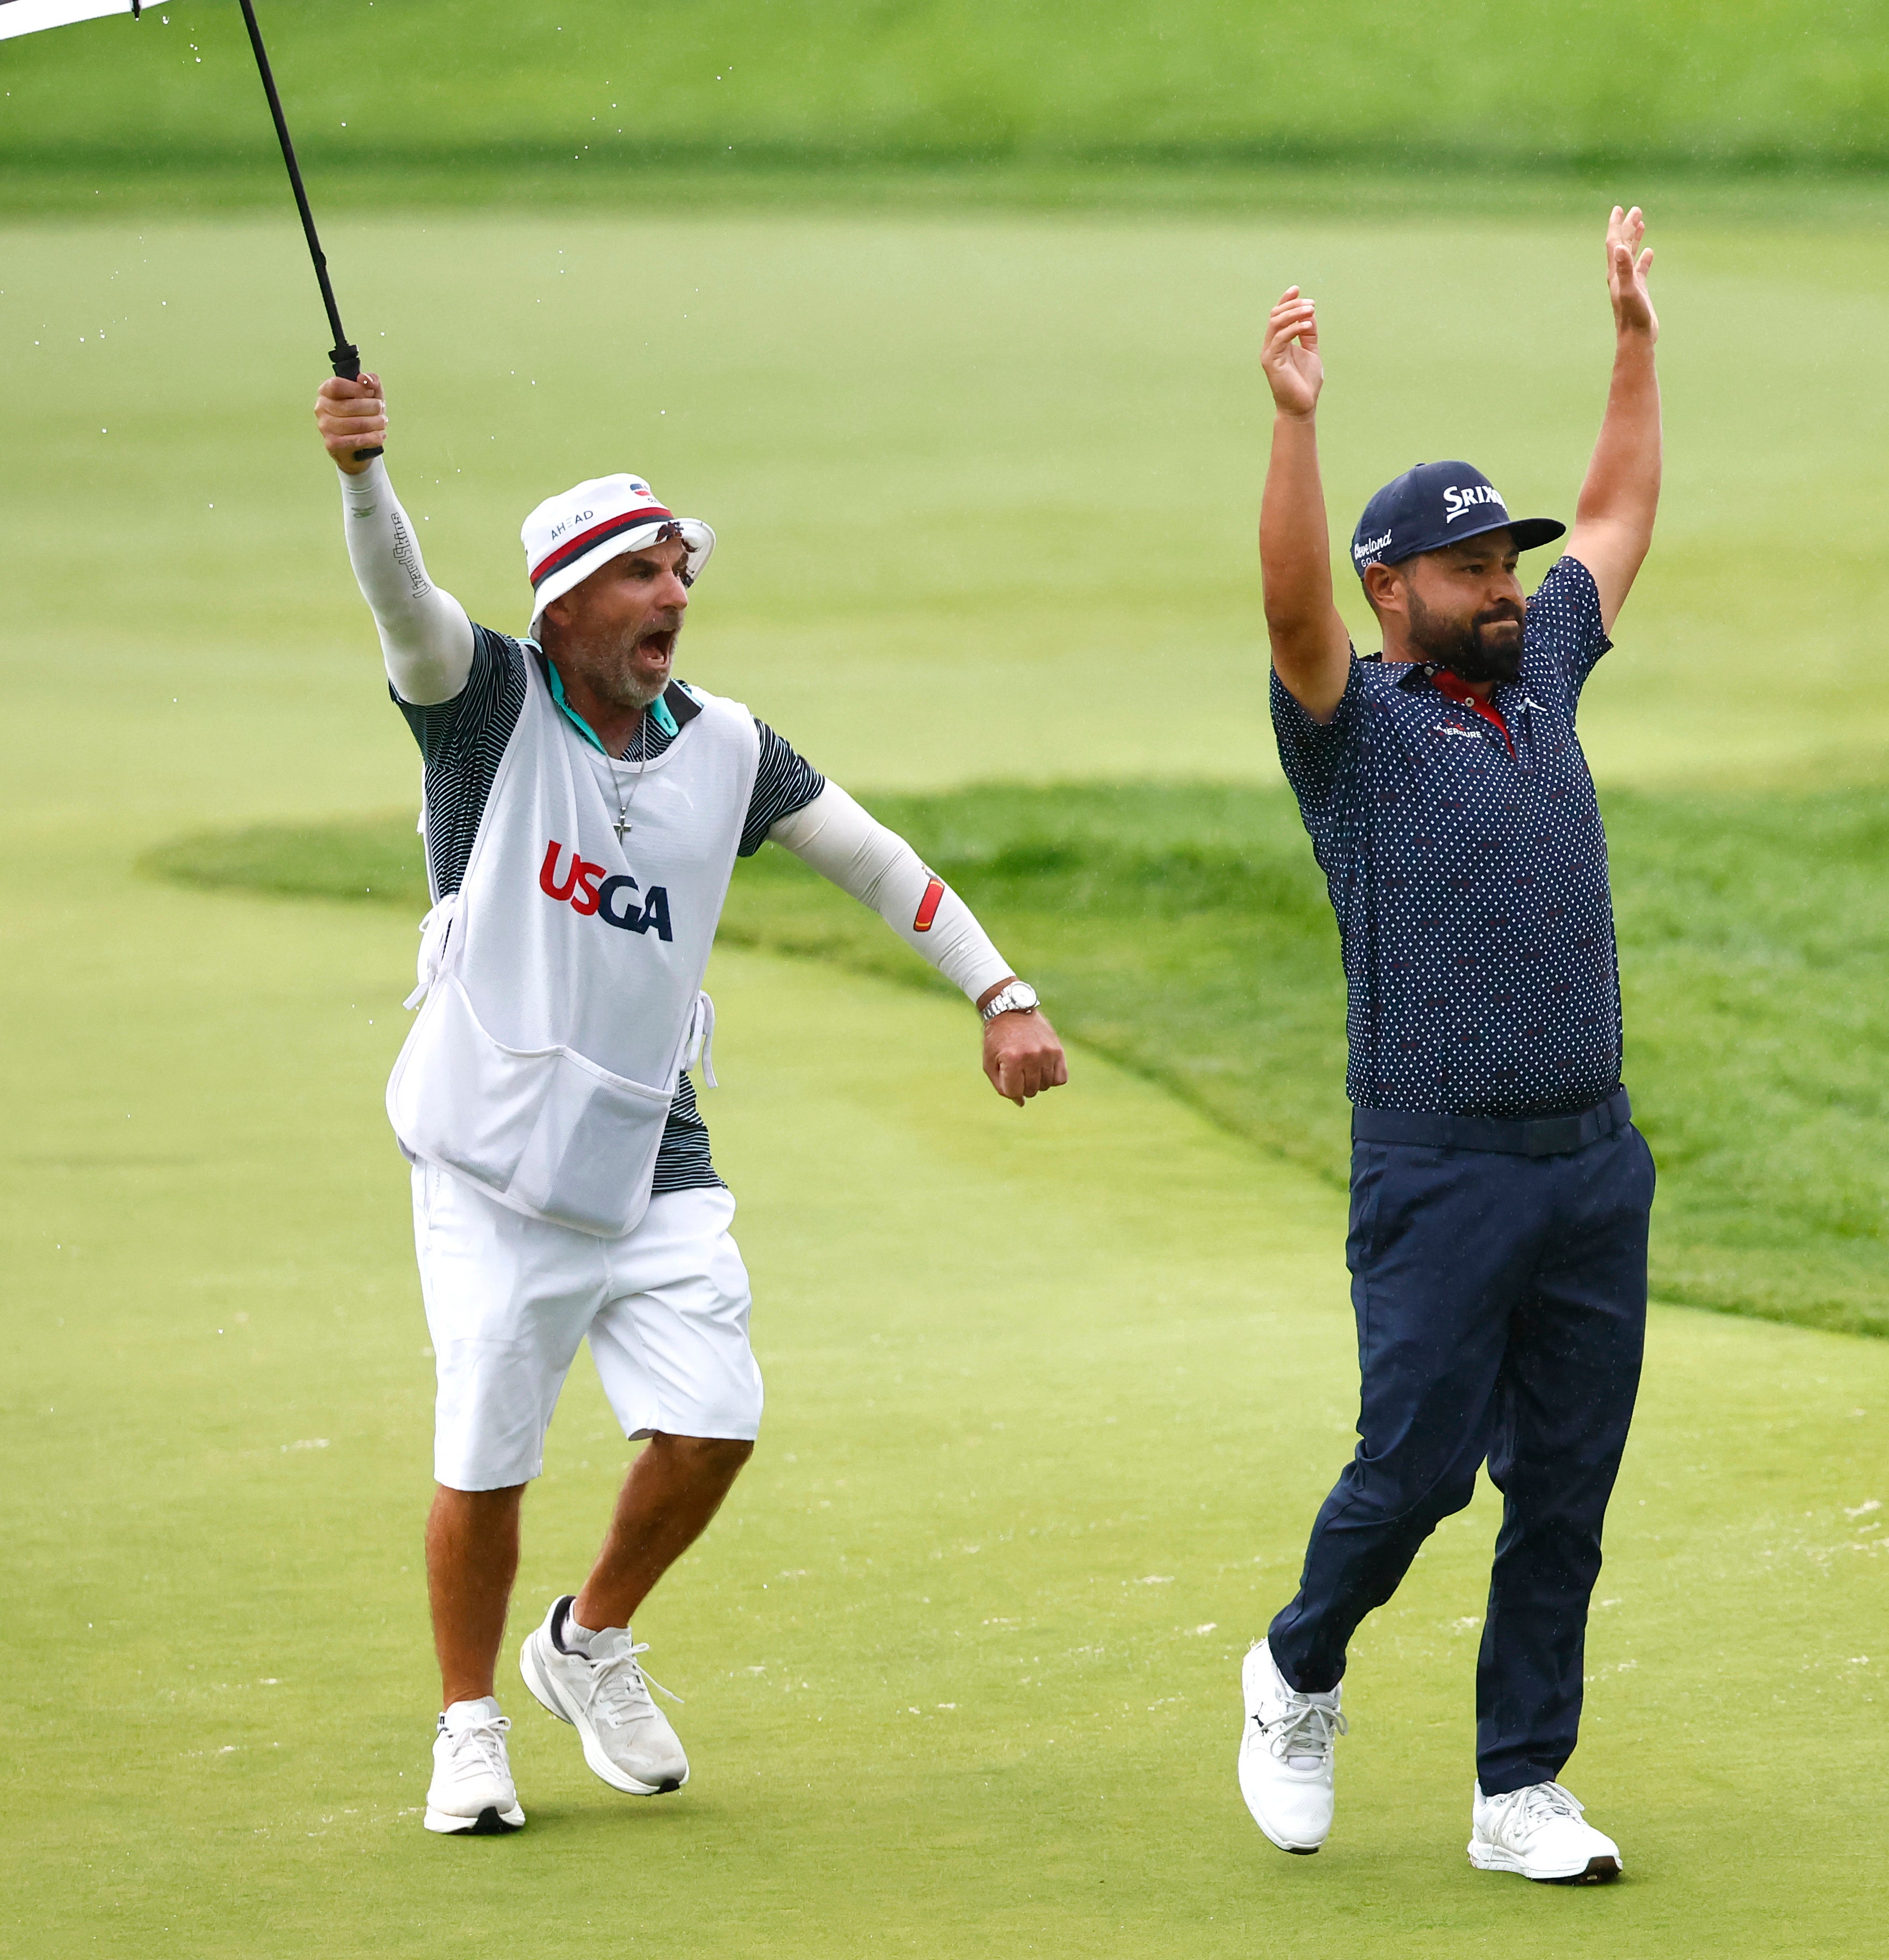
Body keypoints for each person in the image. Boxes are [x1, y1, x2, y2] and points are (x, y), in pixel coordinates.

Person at [309, 374, 1070, 1838]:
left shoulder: (728, 744)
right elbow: (402, 598)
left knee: (716, 1423)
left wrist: (1000, 989)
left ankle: (582, 1643)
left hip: (650, 1147)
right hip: (484, 1152)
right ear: (568, 604)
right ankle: (468, 1722)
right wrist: (364, 477)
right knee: (486, 1448)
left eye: (680, 573)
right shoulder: (483, 706)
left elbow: (872, 859)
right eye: (644, 574)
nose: (675, 595)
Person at [1236, 207, 1661, 1884]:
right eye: (1473, 569)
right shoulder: (1353, 734)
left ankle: (1518, 1788)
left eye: (1507, 564)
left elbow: (1619, 513)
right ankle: (1295, 1663)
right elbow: (1283, 615)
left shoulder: (1543, 676)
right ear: (1389, 587)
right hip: (1439, 1159)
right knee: (1410, 1469)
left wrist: (1631, 338)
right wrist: (1293, 426)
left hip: (1590, 1157)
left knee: (1563, 1483)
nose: (1506, 587)